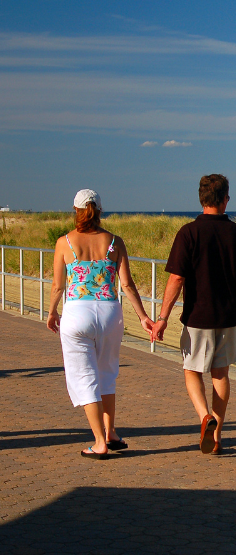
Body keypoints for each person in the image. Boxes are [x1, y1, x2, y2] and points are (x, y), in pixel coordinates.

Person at [152, 175, 236, 455]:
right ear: (225, 200)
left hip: (198, 317)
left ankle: (204, 417)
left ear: (201, 199)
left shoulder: (188, 233)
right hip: (232, 316)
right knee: (220, 375)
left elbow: (176, 279)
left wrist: (162, 318)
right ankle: (217, 435)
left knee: (192, 371)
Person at [47, 189, 153, 460]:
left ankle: (99, 442)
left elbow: (59, 285)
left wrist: (51, 312)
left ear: (76, 210)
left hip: (77, 312)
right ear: (99, 209)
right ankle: (111, 432)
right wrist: (143, 317)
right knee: (107, 373)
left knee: (84, 377)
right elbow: (127, 285)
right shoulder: (115, 241)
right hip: (109, 312)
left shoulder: (65, 243)